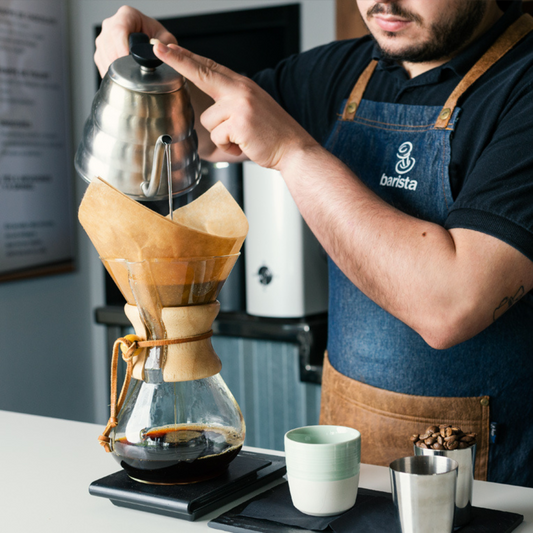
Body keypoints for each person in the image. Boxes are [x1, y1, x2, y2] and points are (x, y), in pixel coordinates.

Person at [94, 1, 533, 487]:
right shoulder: (345, 70)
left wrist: (292, 152)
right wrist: (149, 73)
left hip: (486, 481)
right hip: (348, 452)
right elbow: (215, 136)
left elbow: (449, 304)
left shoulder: (522, 85)